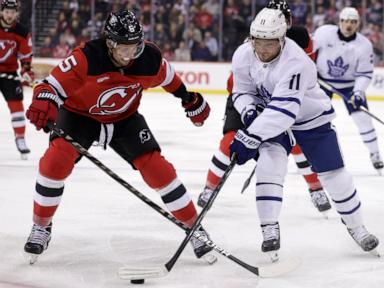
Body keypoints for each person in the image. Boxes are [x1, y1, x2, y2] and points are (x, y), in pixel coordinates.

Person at [23, 10, 214, 264]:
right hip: (81, 116)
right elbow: (51, 86)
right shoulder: (86, 58)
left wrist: (187, 98)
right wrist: (44, 100)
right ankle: (41, 225)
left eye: (134, 47)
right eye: (123, 49)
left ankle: (194, 227)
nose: (129, 55)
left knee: (159, 170)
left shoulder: (149, 58)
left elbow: (170, 78)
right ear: (110, 42)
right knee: (55, 162)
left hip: (125, 118)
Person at [229, 7, 379, 260]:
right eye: (258, 42)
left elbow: (284, 111)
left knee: (335, 176)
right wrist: (249, 112)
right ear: (251, 38)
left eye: (269, 43)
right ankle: (269, 229)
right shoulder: (243, 54)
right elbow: (241, 91)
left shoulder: (296, 61)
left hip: (309, 118)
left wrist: (252, 134)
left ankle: (357, 227)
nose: (262, 49)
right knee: (269, 165)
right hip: (271, 116)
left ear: (281, 39)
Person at [197, 0, 331, 216]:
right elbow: (238, 83)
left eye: (282, 17)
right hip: (246, 97)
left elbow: (308, 67)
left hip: (282, 96)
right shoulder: (256, 38)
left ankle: (315, 188)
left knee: (297, 142)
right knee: (230, 140)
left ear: (288, 20)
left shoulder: (299, 37)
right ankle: (209, 187)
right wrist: (249, 108)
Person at [313, 7, 384, 174]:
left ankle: (375, 154)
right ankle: (308, 156)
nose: (348, 25)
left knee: (363, 119)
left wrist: (358, 92)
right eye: (345, 21)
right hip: (322, 82)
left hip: (349, 85)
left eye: (353, 22)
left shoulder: (364, 44)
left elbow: (365, 73)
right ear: (339, 21)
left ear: (358, 24)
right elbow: (308, 50)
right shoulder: (324, 33)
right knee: (315, 120)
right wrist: (310, 69)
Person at [0, 0, 34, 159]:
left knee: (17, 107)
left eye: (12, 12)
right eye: (7, 11)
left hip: (9, 73)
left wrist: (26, 71)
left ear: (17, 13)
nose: (9, 15)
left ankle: (20, 138)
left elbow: (26, 56)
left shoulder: (21, 31)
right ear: (1, 12)